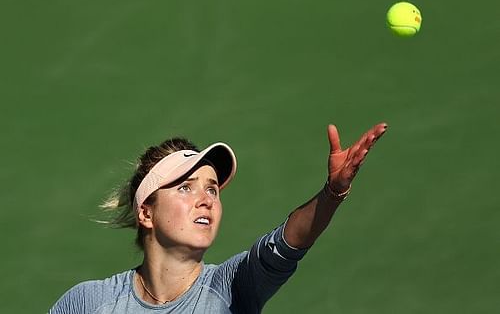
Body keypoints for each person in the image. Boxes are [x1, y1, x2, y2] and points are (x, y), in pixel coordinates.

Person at [49, 122, 387, 314]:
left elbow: (285, 246)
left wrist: (332, 193)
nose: (205, 200)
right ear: (146, 212)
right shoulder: (89, 303)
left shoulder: (232, 287)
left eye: (212, 190)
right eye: (185, 188)